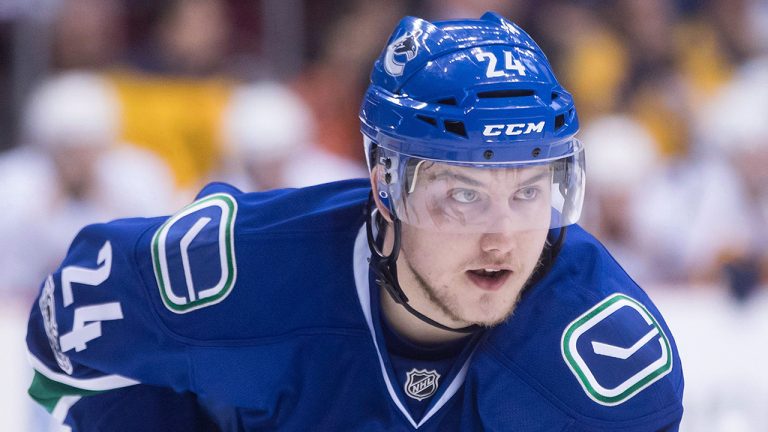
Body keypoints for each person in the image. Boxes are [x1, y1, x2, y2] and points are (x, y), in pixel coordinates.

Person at [26, 12, 684, 431]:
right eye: (462, 194)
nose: (503, 236)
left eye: (530, 191)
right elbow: (65, 332)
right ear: (386, 185)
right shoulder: (241, 269)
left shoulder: (604, 357)